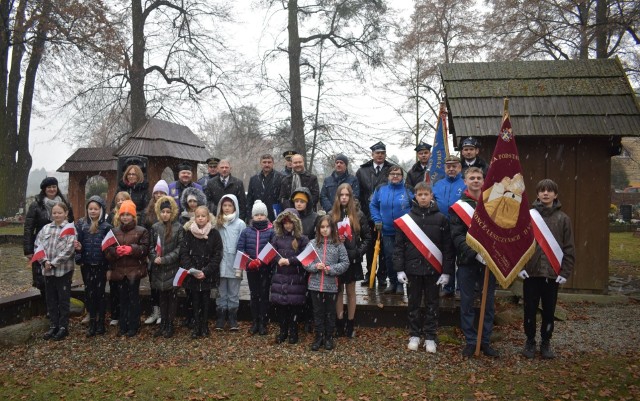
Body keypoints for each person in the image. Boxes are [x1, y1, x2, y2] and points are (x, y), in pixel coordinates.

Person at [393, 182, 455, 353]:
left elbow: (447, 248)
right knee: (413, 303)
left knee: (432, 303)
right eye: (419, 195)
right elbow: (399, 247)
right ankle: (414, 334)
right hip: (412, 269)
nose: (423, 197)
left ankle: (430, 336)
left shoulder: (441, 219)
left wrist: (447, 272)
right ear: (415, 196)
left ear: (431, 196)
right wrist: (399, 269)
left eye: (426, 194)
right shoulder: (406, 220)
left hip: (433, 270)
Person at [519, 179, 575, 359]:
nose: (545, 194)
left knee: (549, 311)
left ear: (555, 195)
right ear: (537, 194)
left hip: (552, 274)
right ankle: (529, 341)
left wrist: (565, 272)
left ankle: (546, 342)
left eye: (549, 191)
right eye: (542, 190)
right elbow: (518, 244)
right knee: (529, 309)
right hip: (531, 273)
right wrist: (520, 267)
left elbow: (569, 248)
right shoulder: (528, 216)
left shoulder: (563, 219)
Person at [449, 167, 498, 357]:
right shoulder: (458, 207)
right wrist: (475, 253)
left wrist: (489, 253)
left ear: (484, 181)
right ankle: (470, 341)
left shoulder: (492, 205)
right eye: (472, 178)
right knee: (467, 302)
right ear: (465, 181)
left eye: (479, 178)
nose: (476, 181)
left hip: (489, 263)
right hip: (467, 261)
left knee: (489, 303)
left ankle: (485, 341)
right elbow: (457, 236)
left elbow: (499, 232)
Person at [104, 200, 150, 338]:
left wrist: (132, 249)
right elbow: (107, 250)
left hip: (133, 271)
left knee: (133, 298)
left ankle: (134, 324)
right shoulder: (114, 231)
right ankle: (123, 324)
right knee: (122, 299)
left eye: (128, 214)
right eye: (123, 214)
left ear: (133, 216)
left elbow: (145, 248)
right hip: (119, 271)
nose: (125, 217)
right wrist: (115, 252)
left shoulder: (141, 231)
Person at [331, 183, 371, 338]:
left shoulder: (359, 215)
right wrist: (336, 239)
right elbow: (325, 236)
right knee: (339, 290)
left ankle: (350, 323)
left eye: (347, 195)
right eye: (341, 195)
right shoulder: (332, 214)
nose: (344, 198)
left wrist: (358, 252)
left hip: (353, 258)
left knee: (351, 291)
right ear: (337, 196)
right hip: (337, 259)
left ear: (351, 197)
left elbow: (368, 238)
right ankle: (339, 323)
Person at [24, 177, 74, 301]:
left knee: (60, 275)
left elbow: (71, 224)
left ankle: (58, 305)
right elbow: (29, 228)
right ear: (44, 189)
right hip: (42, 245)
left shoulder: (64, 203)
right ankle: (48, 306)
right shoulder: (36, 205)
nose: (52, 189)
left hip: (61, 245)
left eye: (54, 187)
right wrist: (28, 249)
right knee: (43, 277)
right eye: (49, 187)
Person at [305, 215, 349, 351]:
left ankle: (329, 337)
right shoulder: (312, 244)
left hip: (331, 285)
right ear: (318, 229)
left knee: (330, 312)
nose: (325, 230)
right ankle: (319, 337)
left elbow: (345, 263)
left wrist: (331, 269)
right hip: (315, 284)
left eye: (327, 227)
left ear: (332, 228)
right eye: (322, 227)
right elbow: (306, 262)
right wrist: (314, 267)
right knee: (318, 312)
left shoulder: (338, 245)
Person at [180, 205, 223, 338]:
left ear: (208, 217)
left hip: (207, 274)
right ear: (194, 217)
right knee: (194, 300)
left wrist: (206, 271)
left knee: (205, 300)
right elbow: (184, 253)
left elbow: (217, 255)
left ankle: (204, 325)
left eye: (203, 216)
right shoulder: (188, 233)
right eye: (198, 216)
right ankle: (196, 325)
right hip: (193, 274)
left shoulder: (214, 234)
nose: (200, 218)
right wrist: (192, 269)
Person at [35, 202, 76, 341]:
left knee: (63, 299)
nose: (57, 215)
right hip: (47, 270)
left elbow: (69, 250)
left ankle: (63, 326)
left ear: (66, 213)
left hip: (63, 270)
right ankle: (53, 325)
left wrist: (53, 263)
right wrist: (45, 261)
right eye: (54, 213)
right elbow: (38, 246)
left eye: (59, 212)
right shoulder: (45, 228)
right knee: (51, 298)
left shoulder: (70, 229)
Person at [370, 165, 413, 294]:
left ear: (402, 176)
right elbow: (373, 205)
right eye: (392, 174)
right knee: (389, 257)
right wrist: (377, 219)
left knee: (403, 257)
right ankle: (392, 282)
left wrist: (409, 221)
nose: (395, 176)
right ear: (388, 176)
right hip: (387, 231)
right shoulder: (380, 189)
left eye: (398, 174)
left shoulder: (408, 190)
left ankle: (401, 284)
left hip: (404, 231)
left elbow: (415, 206)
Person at [270, 209, 310, 345]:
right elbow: (271, 252)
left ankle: (293, 332)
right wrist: (278, 259)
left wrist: (290, 261)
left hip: (296, 278)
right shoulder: (277, 238)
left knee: (294, 307)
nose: (288, 225)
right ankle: (283, 331)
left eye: (290, 223)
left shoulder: (302, 239)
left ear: (295, 223)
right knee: (281, 307)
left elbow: (305, 256)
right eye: (285, 223)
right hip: (280, 277)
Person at [356, 141, 393, 287]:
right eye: (377, 153)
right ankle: (369, 273)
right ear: (372, 155)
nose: (380, 155)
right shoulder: (362, 171)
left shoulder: (391, 170)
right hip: (367, 216)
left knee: (384, 248)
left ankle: (382, 276)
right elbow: (358, 193)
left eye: (382, 153)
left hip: (385, 215)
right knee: (370, 247)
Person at [75, 196, 112, 337]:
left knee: (100, 294)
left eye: (96, 209)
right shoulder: (82, 225)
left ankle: (101, 322)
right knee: (89, 294)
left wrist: (109, 267)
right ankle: (92, 322)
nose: (93, 211)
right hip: (87, 265)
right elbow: (77, 245)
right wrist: (79, 257)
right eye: (90, 209)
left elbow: (110, 250)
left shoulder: (107, 227)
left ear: (101, 210)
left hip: (101, 265)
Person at [238, 200, 275, 335]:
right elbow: (241, 249)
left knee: (264, 295)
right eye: (257, 214)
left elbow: (273, 248)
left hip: (265, 269)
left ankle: (264, 321)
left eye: (262, 214)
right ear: (252, 216)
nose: (259, 217)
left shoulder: (271, 231)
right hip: (252, 269)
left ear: (266, 215)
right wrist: (249, 262)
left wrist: (263, 261)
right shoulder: (247, 232)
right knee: (254, 295)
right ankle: (255, 321)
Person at [148, 196, 184, 338]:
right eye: (163, 212)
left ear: (173, 212)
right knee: (162, 297)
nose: (165, 214)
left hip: (172, 268)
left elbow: (180, 248)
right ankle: (162, 322)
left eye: (168, 212)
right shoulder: (155, 227)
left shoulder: (178, 228)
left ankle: (170, 323)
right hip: (158, 269)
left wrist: (165, 259)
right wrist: (154, 257)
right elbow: (150, 246)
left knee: (172, 298)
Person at [433, 154, 466, 296]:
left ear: (459, 167)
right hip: (442, 226)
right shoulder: (438, 184)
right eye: (448, 167)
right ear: (445, 168)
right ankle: (448, 287)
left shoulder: (465, 184)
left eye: (454, 166)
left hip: (461, 226)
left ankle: (461, 288)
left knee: (462, 257)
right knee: (447, 257)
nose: (451, 169)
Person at [214, 194, 246, 331]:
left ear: (235, 207)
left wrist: (240, 265)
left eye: (230, 205)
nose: (227, 208)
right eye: (224, 205)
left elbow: (243, 245)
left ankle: (233, 319)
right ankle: (221, 318)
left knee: (233, 293)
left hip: (235, 264)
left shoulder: (240, 224)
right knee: (221, 293)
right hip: (220, 263)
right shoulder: (217, 223)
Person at [143, 179, 170, 326]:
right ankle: (155, 311)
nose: (159, 195)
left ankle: (163, 313)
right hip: (153, 253)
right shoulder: (148, 213)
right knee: (154, 284)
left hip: (167, 254)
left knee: (164, 285)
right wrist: (150, 254)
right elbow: (144, 234)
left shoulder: (170, 210)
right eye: (156, 192)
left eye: (162, 192)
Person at [105, 191, 131, 327]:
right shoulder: (110, 216)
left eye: (123, 199)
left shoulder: (132, 215)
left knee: (127, 288)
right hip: (114, 255)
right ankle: (115, 314)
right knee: (114, 287)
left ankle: (127, 315)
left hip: (128, 257)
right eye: (118, 200)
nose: (120, 202)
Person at [246, 154, 284, 222]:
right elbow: (249, 200)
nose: (267, 164)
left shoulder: (280, 178)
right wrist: (249, 218)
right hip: (257, 217)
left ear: (273, 163)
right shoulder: (254, 179)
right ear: (260, 163)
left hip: (275, 217)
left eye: (269, 162)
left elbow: (282, 199)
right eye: (264, 162)